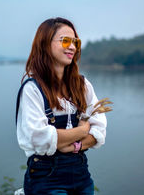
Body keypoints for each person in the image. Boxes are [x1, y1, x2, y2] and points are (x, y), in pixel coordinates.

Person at [16, 17, 107, 195]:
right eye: (65, 41)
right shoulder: (32, 90)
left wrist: (73, 146)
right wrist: (82, 130)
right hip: (46, 178)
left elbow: (100, 131)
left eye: (75, 42)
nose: (72, 47)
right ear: (45, 44)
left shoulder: (82, 85)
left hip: (82, 176)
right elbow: (39, 138)